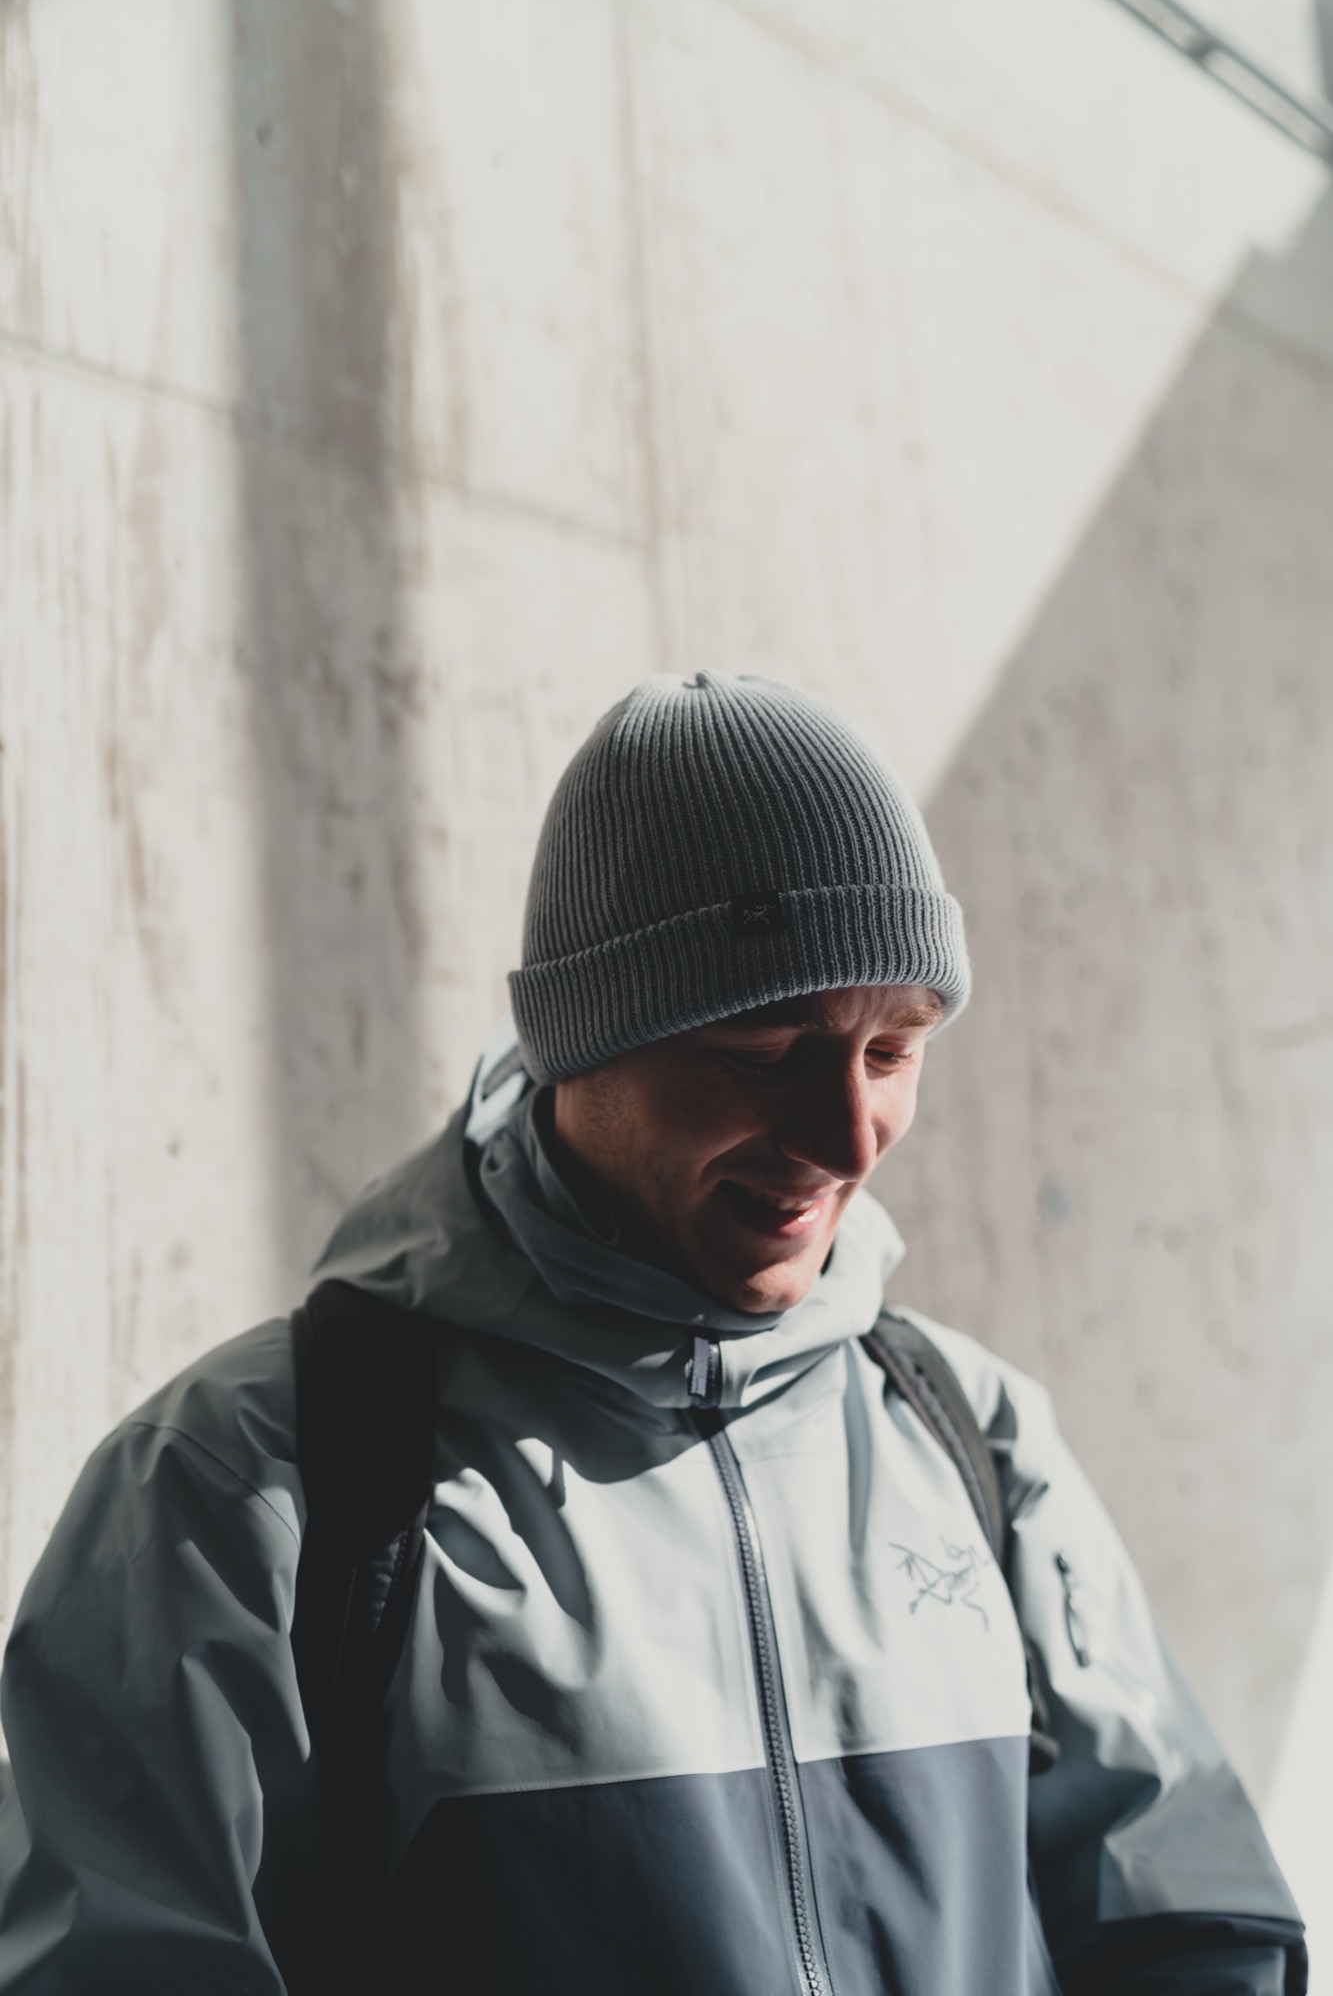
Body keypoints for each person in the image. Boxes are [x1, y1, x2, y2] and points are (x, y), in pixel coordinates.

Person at [0, 673, 1304, 1993]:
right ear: (580, 1046)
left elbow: (1190, 1932)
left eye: (890, 1052)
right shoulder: (243, 1485)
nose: (846, 1138)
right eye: (762, 1048)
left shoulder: (972, 1439)